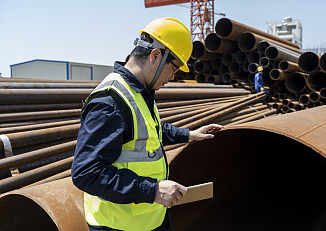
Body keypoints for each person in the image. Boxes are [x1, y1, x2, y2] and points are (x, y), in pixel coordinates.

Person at [71, 17, 222, 231]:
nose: (173, 76)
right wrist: (153, 191)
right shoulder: (110, 102)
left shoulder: (139, 92)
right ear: (155, 56)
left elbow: (149, 130)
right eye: (175, 68)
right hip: (119, 226)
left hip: (148, 221)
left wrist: (188, 135)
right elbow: (86, 173)